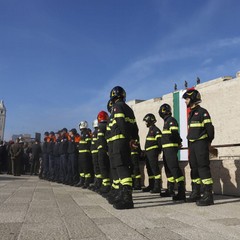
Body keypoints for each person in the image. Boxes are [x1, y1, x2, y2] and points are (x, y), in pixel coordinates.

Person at [109, 86, 139, 209]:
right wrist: (133, 140)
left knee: (122, 167)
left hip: (119, 142)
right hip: (125, 142)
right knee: (122, 166)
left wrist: (129, 139)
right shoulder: (129, 109)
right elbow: (135, 128)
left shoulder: (117, 107)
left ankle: (127, 199)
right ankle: (122, 196)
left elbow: (120, 123)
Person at [182, 89, 215, 206]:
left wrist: (208, 142)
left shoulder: (203, 112)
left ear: (193, 98)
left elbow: (210, 129)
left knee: (203, 167)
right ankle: (195, 192)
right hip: (192, 144)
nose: (185, 101)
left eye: (186, 99)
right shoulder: (191, 113)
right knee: (194, 168)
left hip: (201, 143)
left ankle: (208, 195)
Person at [159, 103, 186, 201]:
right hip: (166, 149)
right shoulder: (166, 122)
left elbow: (174, 133)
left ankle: (181, 192)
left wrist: (179, 142)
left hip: (171, 149)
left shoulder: (171, 120)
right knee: (168, 170)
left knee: (174, 169)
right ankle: (170, 190)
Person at [142, 113, 162, 193]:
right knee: (149, 169)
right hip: (148, 153)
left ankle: (157, 186)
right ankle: (151, 185)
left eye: (146, 121)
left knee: (155, 169)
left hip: (153, 153)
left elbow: (159, 142)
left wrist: (158, 151)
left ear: (150, 121)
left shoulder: (156, 130)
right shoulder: (150, 130)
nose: (146, 123)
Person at [96, 111, 111, 196]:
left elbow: (101, 140)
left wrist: (104, 149)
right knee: (107, 167)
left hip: (102, 150)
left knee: (103, 167)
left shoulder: (100, 127)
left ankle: (106, 185)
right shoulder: (107, 126)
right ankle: (106, 185)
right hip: (107, 149)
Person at [76, 121, 93, 188]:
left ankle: (87, 182)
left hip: (85, 154)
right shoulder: (82, 134)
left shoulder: (86, 134)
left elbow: (89, 144)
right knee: (81, 169)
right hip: (81, 154)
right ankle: (81, 181)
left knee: (86, 169)